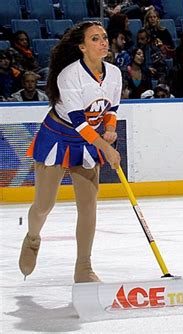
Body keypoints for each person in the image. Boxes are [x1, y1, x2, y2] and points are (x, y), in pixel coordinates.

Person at [19, 21, 122, 283]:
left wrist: (109, 128)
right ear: (82, 47)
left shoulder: (114, 73)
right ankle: (32, 238)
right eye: (96, 39)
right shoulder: (69, 75)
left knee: (88, 207)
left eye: (105, 37)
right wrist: (106, 148)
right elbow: (79, 123)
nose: (103, 42)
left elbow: (111, 109)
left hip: (88, 142)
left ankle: (84, 268)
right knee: (44, 204)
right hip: (58, 136)